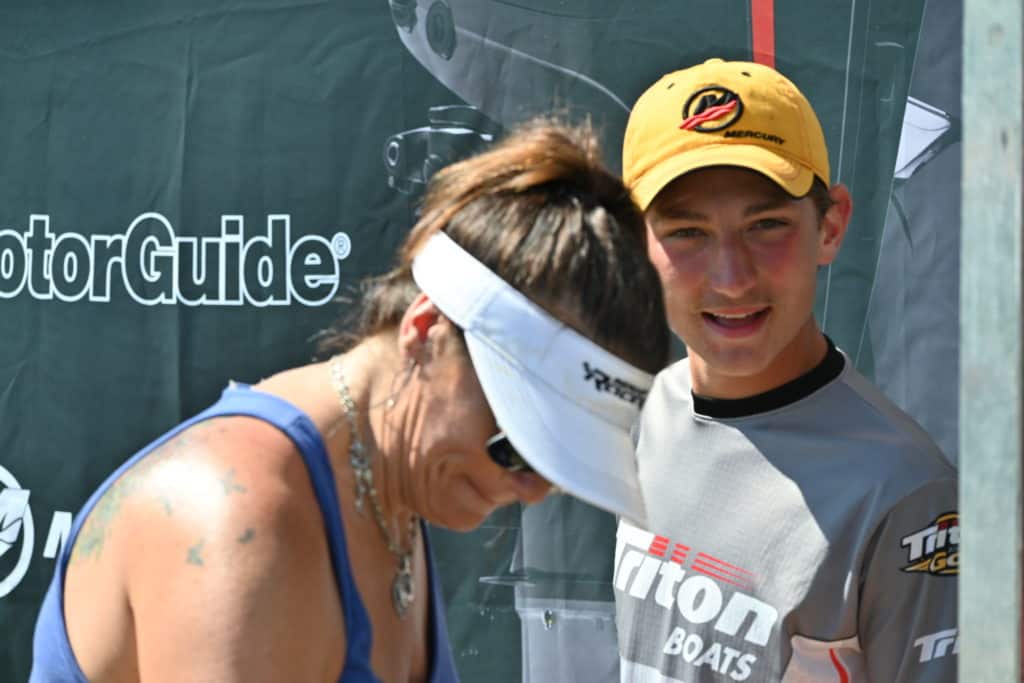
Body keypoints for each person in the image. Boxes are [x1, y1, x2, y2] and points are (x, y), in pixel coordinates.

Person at [30, 120, 672, 683]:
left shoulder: (388, 487)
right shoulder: (236, 518)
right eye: (518, 446)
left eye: (560, 467)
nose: (532, 491)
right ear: (426, 331)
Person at [613, 59, 958, 682]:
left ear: (831, 226)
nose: (731, 277)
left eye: (766, 225)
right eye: (687, 231)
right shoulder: (647, 412)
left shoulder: (908, 496)